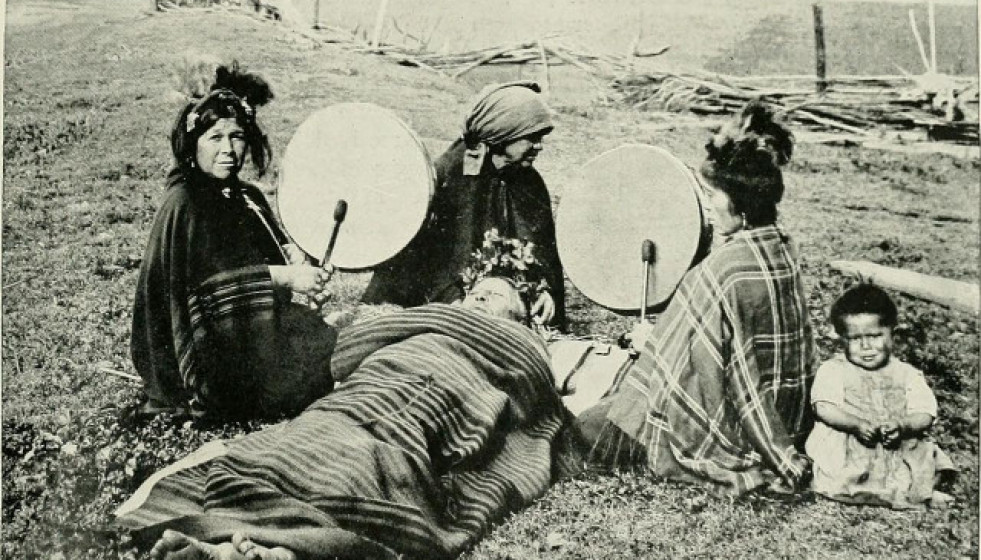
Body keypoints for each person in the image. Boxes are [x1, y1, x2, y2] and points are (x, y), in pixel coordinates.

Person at [116, 277, 579, 560]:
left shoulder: (519, 343)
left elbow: (535, 398)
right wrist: (428, 319)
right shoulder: (432, 317)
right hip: (369, 390)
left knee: (380, 458)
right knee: (303, 440)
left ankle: (264, 548)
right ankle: (257, 547)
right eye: (477, 293)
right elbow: (348, 353)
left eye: (497, 298)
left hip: (448, 395)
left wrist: (521, 345)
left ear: (520, 320)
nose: (481, 300)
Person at [577, 101, 816, 495]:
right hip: (788, 416)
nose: (710, 204)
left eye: (715, 194)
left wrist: (655, 346)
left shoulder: (723, 270)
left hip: (736, 429)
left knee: (587, 429)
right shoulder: (784, 246)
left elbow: (724, 371)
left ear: (739, 203)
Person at [131, 61, 338, 420]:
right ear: (192, 145)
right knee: (312, 377)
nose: (228, 149)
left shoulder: (247, 197)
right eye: (214, 138)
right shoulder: (185, 203)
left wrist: (301, 267)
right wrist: (284, 278)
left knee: (334, 348)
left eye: (237, 136)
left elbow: (269, 261)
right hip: (201, 352)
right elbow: (202, 296)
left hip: (247, 334)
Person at [361, 81, 566, 329]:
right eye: (531, 138)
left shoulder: (529, 181)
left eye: (541, 138)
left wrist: (544, 293)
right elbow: (427, 266)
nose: (539, 146)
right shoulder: (447, 177)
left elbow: (541, 253)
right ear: (502, 135)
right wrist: (454, 301)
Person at [805, 284, 956, 508]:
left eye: (875, 336)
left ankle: (917, 491)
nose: (866, 347)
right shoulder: (834, 369)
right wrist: (856, 424)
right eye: (855, 339)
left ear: (892, 332)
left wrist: (903, 425)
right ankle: (879, 492)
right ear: (842, 338)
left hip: (896, 444)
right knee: (841, 476)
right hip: (852, 444)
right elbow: (823, 407)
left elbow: (925, 412)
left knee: (919, 463)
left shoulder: (906, 373)